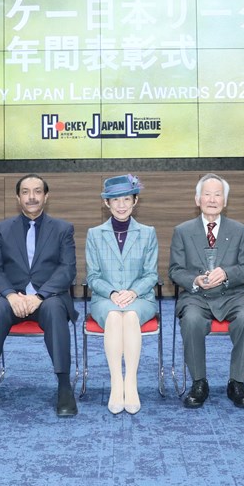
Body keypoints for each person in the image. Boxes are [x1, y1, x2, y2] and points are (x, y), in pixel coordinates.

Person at [0, 174, 78, 418]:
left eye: (37, 191)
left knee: (54, 310)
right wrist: (10, 295)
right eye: (25, 192)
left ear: (46, 196)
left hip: (48, 298)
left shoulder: (62, 229)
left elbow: (67, 269)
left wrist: (40, 296)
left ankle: (64, 387)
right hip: (12, 300)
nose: (32, 197)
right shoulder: (2, 229)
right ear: (18, 198)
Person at [169, 173, 244, 409]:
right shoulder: (182, 231)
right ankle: (199, 383)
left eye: (217, 195)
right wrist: (195, 280)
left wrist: (227, 273)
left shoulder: (240, 230)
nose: (212, 199)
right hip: (196, 296)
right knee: (191, 321)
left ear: (225, 201)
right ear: (197, 199)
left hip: (233, 295)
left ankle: (237, 383)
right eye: (206, 194)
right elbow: (175, 271)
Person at [85, 174, 159, 414]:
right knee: (115, 316)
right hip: (105, 299)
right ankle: (117, 383)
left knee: (131, 316)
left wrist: (133, 292)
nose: (121, 205)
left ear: (135, 201)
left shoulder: (147, 233)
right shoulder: (94, 234)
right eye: (115, 200)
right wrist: (112, 293)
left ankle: (131, 382)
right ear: (106, 203)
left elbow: (151, 274)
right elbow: (92, 276)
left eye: (126, 199)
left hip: (141, 298)